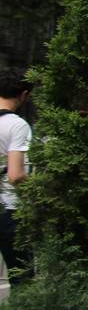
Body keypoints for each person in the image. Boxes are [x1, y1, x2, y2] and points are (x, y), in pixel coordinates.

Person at [0, 69, 33, 282]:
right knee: (22, 277)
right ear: (24, 95)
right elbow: (16, 175)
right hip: (9, 209)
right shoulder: (17, 125)